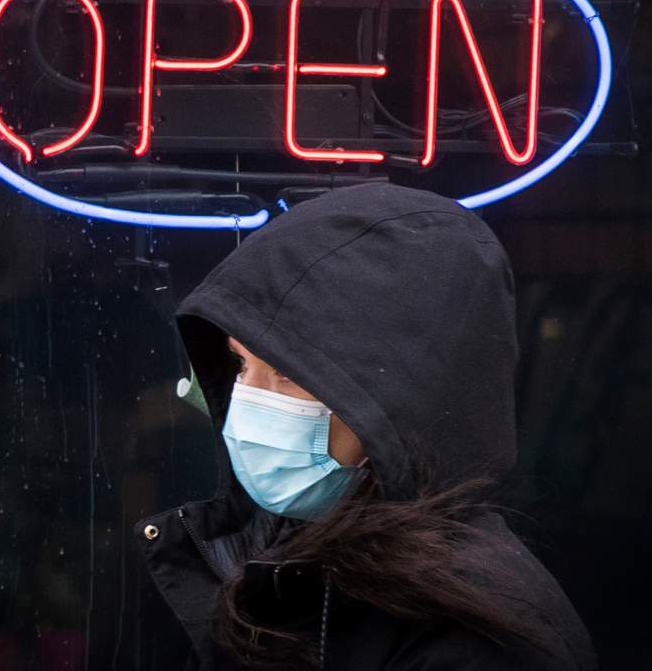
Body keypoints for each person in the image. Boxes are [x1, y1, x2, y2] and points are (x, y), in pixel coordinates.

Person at [135, 182, 596, 670]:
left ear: (403, 397)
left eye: (289, 374)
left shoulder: (477, 641)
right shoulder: (295, 561)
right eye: (242, 366)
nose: (249, 401)